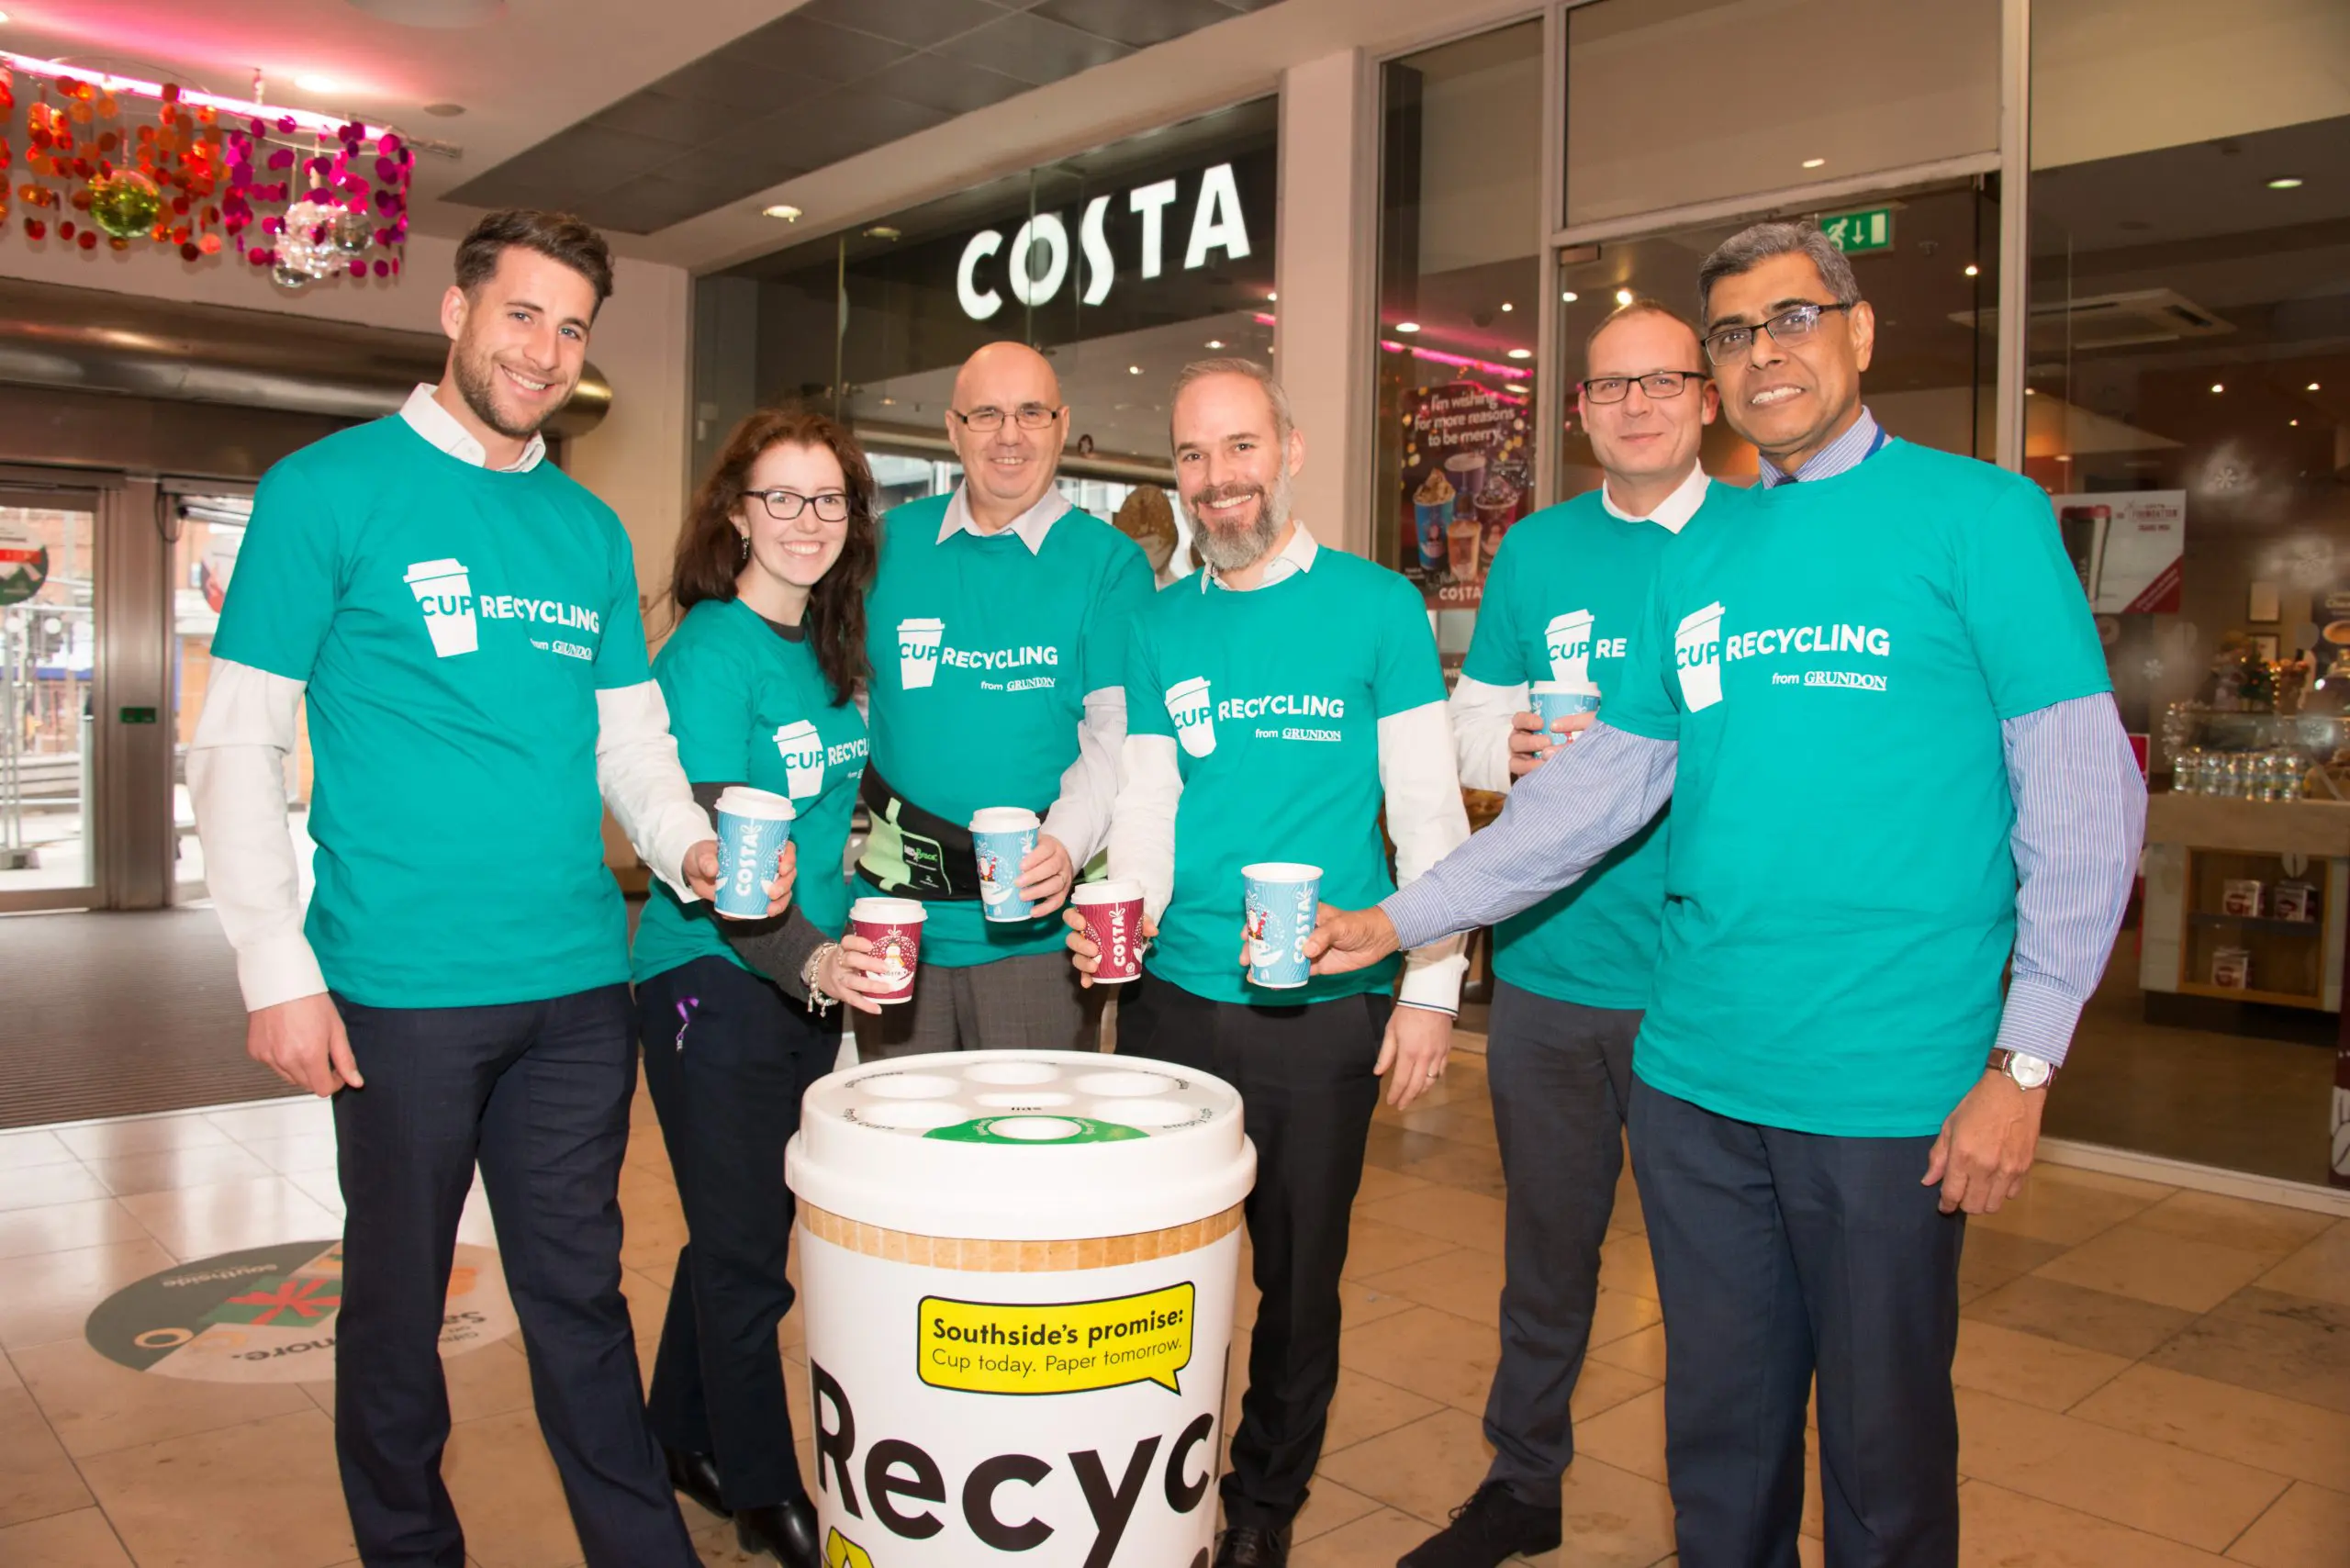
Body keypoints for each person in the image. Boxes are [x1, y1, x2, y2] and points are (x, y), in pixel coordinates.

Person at [1307, 223, 2144, 1568]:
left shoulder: (1979, 518)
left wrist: (2026, 1059)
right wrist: (1407, 917)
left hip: (1887, 1089)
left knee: (1883, 1460)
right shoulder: (1699, 559)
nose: (1767, 355)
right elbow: (1596, 794)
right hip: (1696, 1077)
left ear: (1860, 332)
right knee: (1721, 1439)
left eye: (1795, 319)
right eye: (1738, 335)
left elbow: (2083, 802)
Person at [189, 209, 788, 1568]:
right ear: (455, 313)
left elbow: (628, 741)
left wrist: (688, 845)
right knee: (397, 1314)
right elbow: (236, 741)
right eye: (522, 314)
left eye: (572, 327)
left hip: (577, 989)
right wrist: (275, 969)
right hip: (397, 991)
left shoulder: (583, 530)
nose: (546, 349)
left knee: (582, 1300)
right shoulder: (327, 491)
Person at [1066, 357, 1470, 1568]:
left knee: (1297, 1284)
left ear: (1289, 451)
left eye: (1239, 449)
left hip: (1324, 1008)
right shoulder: (1155, 623)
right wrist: (1112, 926)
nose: (1215, 479)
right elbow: (1144, 804)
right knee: (1170, 1268)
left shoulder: (1377, 607)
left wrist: (1433, 988)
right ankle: (1152, 1472)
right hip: (1177, 1004)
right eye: (1192, 456)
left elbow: (1430, 815)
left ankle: (1259, 1509)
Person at [1404, 299, 1745, 1568]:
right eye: (1611, 388)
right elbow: (1466, 720)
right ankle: (1523, 1478)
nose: (1638, 404)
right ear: (1583, 412)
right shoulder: (1539, 552)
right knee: (1546, 1253)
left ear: (1707, 399)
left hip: (1702, 985)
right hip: (1551, 971)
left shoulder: (1760, 541)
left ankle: (1727, 1515)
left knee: (1719, 1277)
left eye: (1663, 381)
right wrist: (1513, 745)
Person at [629, 407, 898, 1567]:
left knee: (739, 1226)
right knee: (747, 1259)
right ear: (736, 511)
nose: (805, 521)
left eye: (827, 498)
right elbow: (727, 873)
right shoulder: (705, 654)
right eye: (781, 498)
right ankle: (761, 1488)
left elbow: (843, 826)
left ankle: (675, 1433)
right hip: (713, 980)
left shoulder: (834, 651)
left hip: (802, 982)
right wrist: (813, 962)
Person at [857, 341, 1157, 1054]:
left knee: (1031, 1154)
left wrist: (1067, 841)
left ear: (1062, 424)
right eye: (986, 414)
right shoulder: (884, 546)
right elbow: (841, 698)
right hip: (895, 921)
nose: (1010, 435)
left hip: (1038, 934)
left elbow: (1115, 733)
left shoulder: (1108, 563)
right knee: (897, 1151)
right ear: (953, 429)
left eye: (1031, 412)